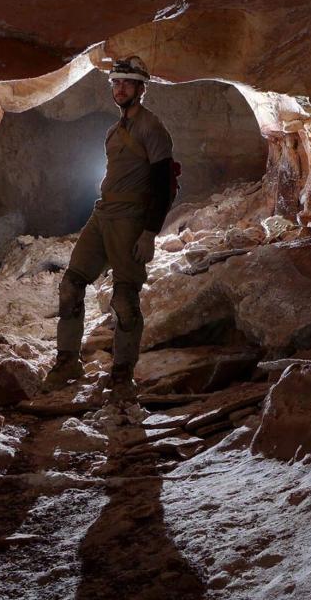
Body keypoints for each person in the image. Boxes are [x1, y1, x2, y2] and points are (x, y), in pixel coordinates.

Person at [43, 56, 177, 400]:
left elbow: (165, 186)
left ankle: (121, 377)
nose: (119, 89)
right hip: (103, 215)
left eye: (127, 83)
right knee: (71, 285)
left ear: (141, 89)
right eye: (116, 83)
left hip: (131, 220)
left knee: (124, 297)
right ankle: (67, 362)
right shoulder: (114, 131)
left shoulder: (152, 128)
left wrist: (149, 233)